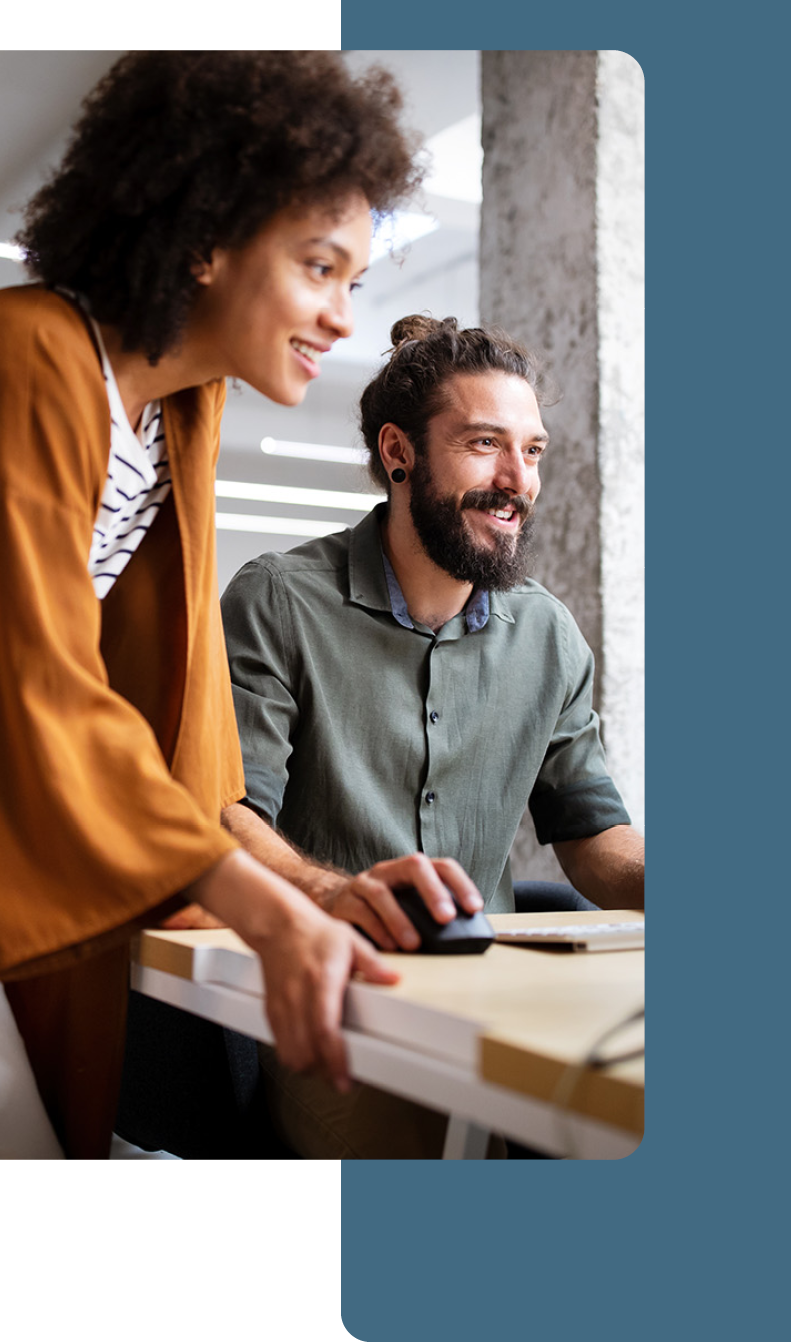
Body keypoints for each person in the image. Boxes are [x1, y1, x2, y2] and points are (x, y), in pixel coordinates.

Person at [0, 51, 426, 1160]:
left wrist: (312, 886)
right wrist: (267, 917)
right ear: (207, 236)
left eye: (355, 281)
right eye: (321, 267)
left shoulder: (179, 409)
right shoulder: (10, 362)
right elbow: (33, 688)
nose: (343, 319)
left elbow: (171, 717)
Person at [219, 311, 644, 1157]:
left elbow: (594, 839)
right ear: (399, 452)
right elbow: (226, 817)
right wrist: (336, 896)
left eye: (531, 451)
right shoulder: (278, 601)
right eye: (485, 444)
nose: (515, 479)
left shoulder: (548, 635)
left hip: (501, 992)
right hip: (344, 996)